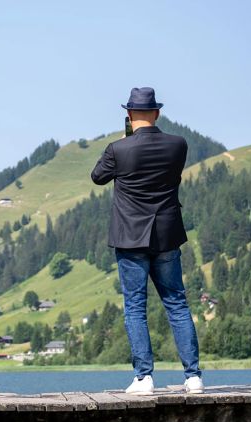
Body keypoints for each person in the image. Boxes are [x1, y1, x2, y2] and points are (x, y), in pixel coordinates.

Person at [91, 87, 203, 396]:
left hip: (131, 238)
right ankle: (193, 377)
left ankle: (144, 377)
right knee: (177, 304)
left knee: (135, 307)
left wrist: (125, 141)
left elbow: (97, 177)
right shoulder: (177, 145)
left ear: (128, 115)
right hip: (166, 235)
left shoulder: (119, 149)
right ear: (157, 113)